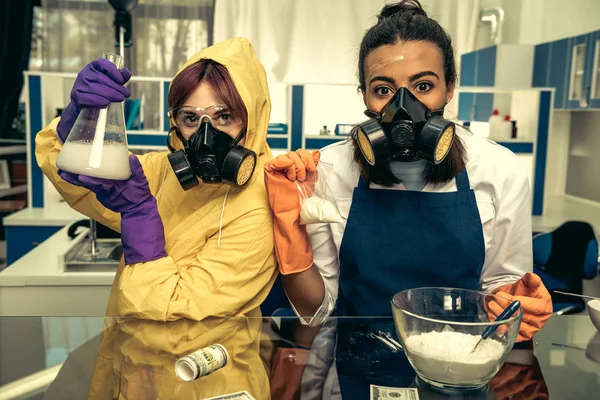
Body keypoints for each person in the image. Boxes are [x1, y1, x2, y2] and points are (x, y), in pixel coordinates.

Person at [263, 1, 553, 398]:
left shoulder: (498, 170)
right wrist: (291, 236)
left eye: (422, 86)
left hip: (461, 369)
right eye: (384, 90)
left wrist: (516, 302)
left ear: (449, 87)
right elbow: (316, 310)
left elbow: (503, 289)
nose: (404, 108)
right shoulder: (331, 169)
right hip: (353, 371)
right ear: (364, 95)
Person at [36, 37, 276, 399]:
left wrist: (139, 214)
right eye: (191, 118)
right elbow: (82, 182)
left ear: (252, 119)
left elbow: (173, 323)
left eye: (224, 116)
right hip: (131, 371)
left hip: (208, 381)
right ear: (175, 122)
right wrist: (79, 122)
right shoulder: (163, 173)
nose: (205, 135)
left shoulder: (262, 202)